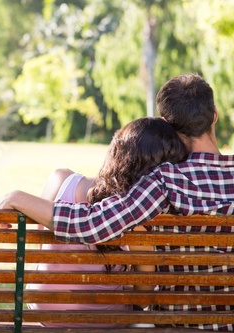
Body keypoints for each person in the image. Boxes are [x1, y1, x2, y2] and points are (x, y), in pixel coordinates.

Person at [0, 73, 234, 331]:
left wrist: (16, 197)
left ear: (167, 124)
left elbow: (91, 224)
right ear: (214, 115)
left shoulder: (165, 181)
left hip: (180, 326)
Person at [26, 117, 186, 328]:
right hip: (105, 320)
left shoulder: (60, 179)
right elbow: (144, 295)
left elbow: (38, 244)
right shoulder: (137, 215)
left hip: (44, 310)